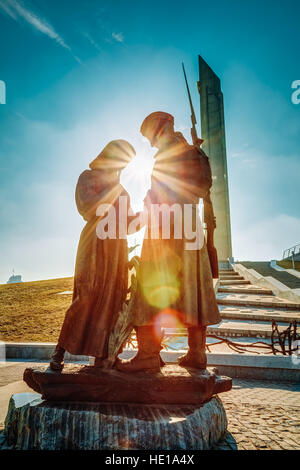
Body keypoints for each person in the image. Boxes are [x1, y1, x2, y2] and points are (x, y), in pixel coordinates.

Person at [116, 112, 221, 373]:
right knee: (192, 286)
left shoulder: (179, 153)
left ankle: (149, 355)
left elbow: (175, 190)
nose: (151, 144)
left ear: (162, 130)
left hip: (167, 227)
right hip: (185, 224)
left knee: (150, 286)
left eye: (151, 137)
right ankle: (196, 353)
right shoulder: (189, 152)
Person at [50, 140, 136, 371]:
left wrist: (148, 216)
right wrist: (112, 189)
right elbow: (88, 207)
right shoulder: (88, 177)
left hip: (117, 249)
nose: (123, 166)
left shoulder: (123, 190)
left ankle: (105, 357)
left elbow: (128, 224)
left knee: (114, 299)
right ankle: (59, 353)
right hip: (95, 244)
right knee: (86, 295)